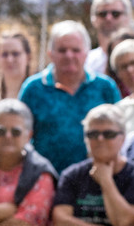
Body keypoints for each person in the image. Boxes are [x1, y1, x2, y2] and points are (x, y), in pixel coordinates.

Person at [18, 20, 121, 173]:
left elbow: (122, 132)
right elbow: (20, 134)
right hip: (45, 178)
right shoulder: (33, 88)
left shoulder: (105, 87)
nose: (69, 55)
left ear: (86, 53)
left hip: (97, 179)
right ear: (50, 53)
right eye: (62, 50)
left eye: (75, 50)